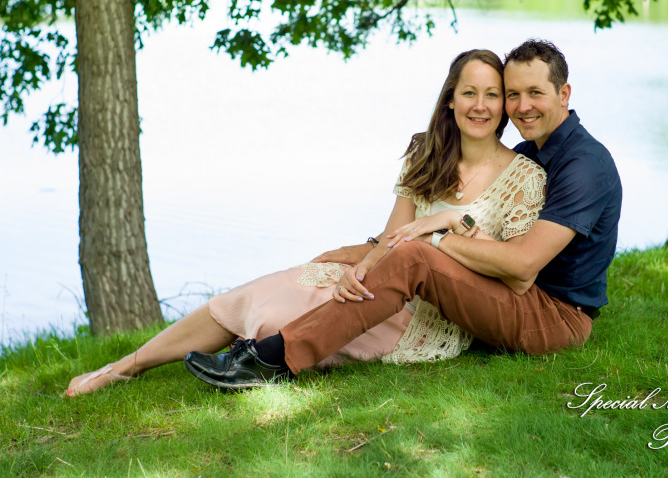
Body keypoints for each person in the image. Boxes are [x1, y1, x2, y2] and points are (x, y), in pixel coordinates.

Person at [65, 49, 546, 396]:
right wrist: (355, 270)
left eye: (491, 95)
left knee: (276, 319)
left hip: (429, 315)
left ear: (504, 105)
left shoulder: (523, 176)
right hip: (379, 279)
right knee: (263, 291)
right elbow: (389, 236)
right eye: (468, 93)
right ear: (450, 100)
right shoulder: (425, 154)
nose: (480, 105)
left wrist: (448, 228)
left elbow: (512, 276)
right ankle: (127, 366)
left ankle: (251, 357)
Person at [184, 38, 623, 389]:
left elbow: (524, 265)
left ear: (564, 93)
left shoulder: (584, 164)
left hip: (556, 318)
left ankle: (276, 359)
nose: (521, 106)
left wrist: (438, 234)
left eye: (535, 93)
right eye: (513, 94)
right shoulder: (533, 151)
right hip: (514, 297)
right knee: (401, 255)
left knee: (416, 255)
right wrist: (358, 252)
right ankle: (259, 343)